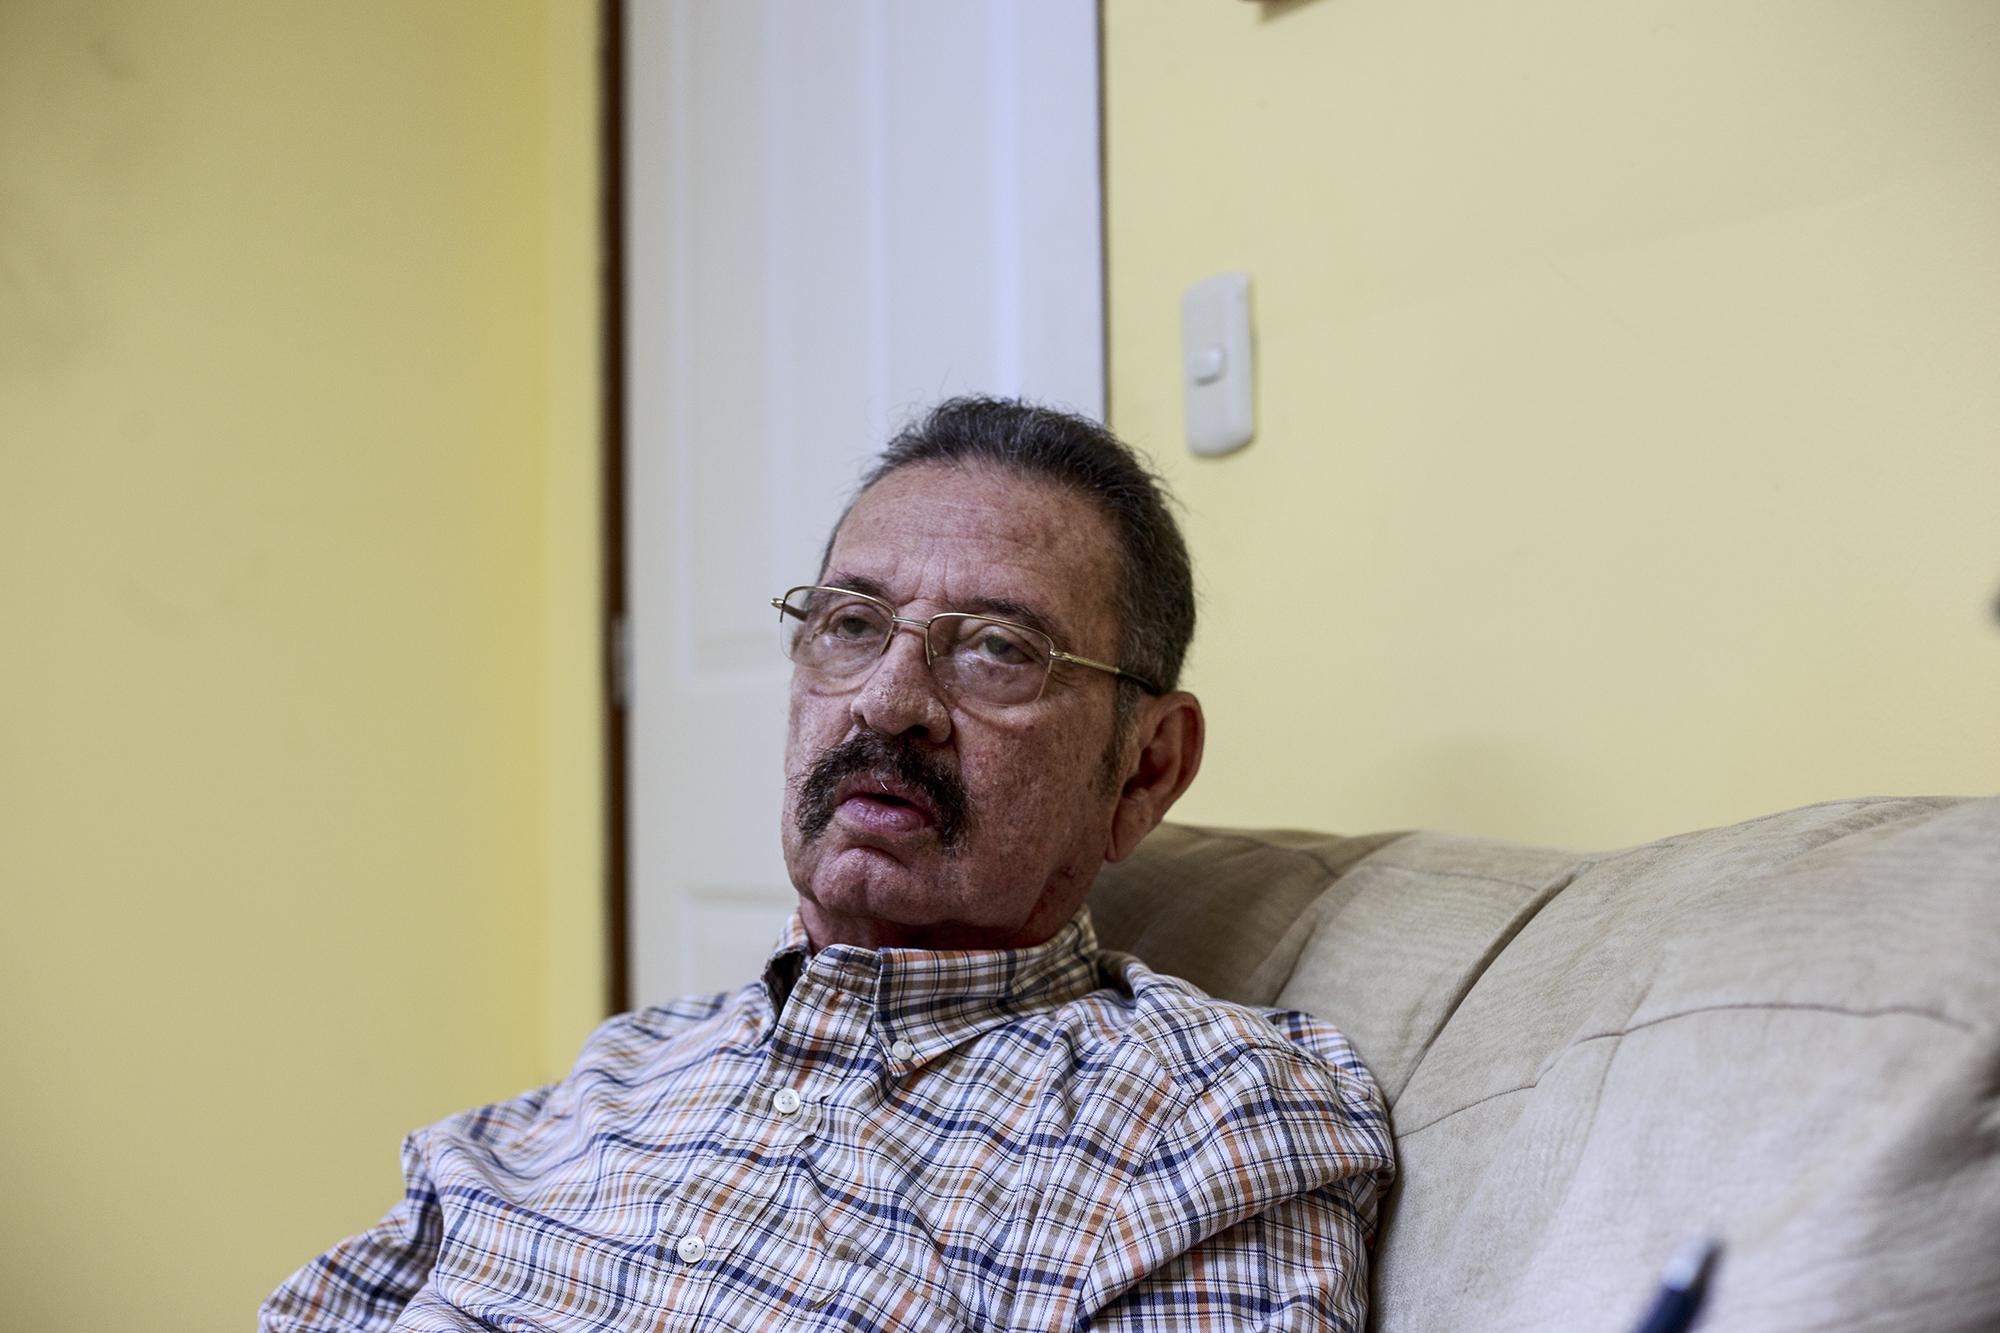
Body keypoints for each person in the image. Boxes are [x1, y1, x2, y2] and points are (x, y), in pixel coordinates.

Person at [262, 397, 1394, 1331]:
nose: (889, 703)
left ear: (1144, 769)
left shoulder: (1207, 1125)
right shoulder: (622, 1071)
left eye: (997, 648)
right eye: (850, 624)